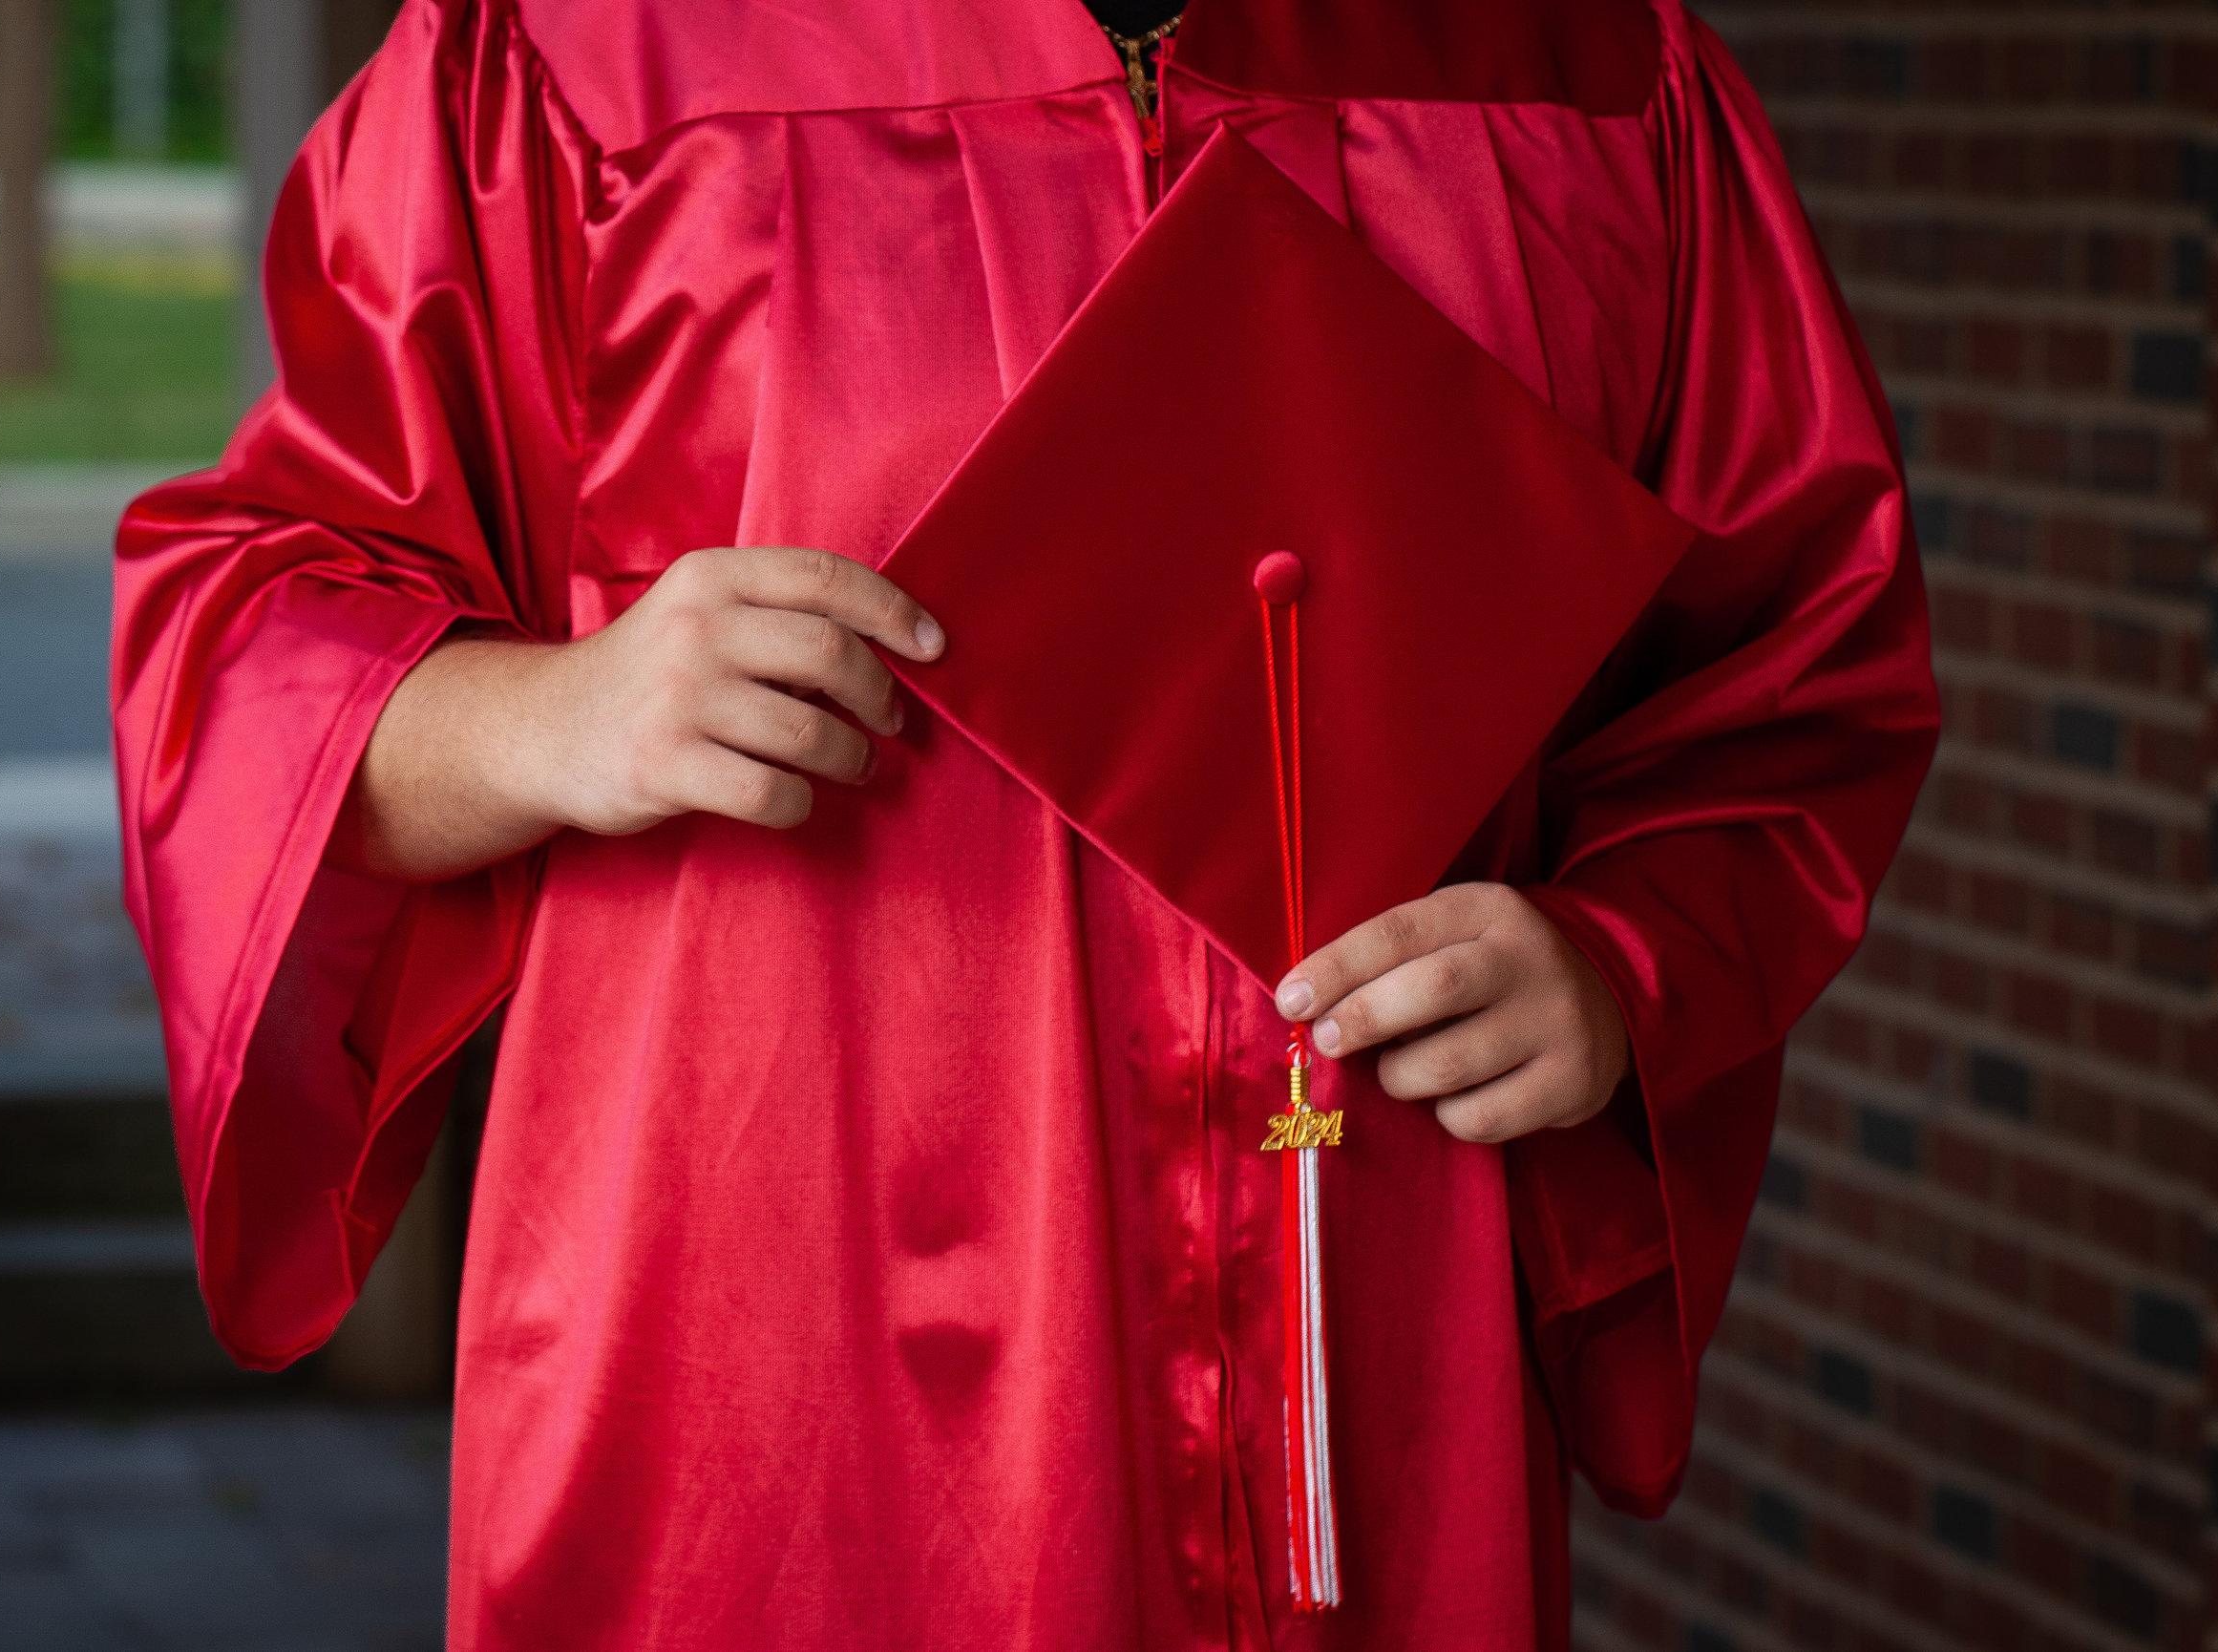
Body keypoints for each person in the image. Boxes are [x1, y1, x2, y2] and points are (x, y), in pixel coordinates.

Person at [111, 1, 1939, 1647]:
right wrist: (552, 712)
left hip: (1365, 1328)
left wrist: (1615, 964)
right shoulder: (589, 59)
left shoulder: (1581, 74)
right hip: (773, 1343)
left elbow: (1793, 670)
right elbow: (241, 632)